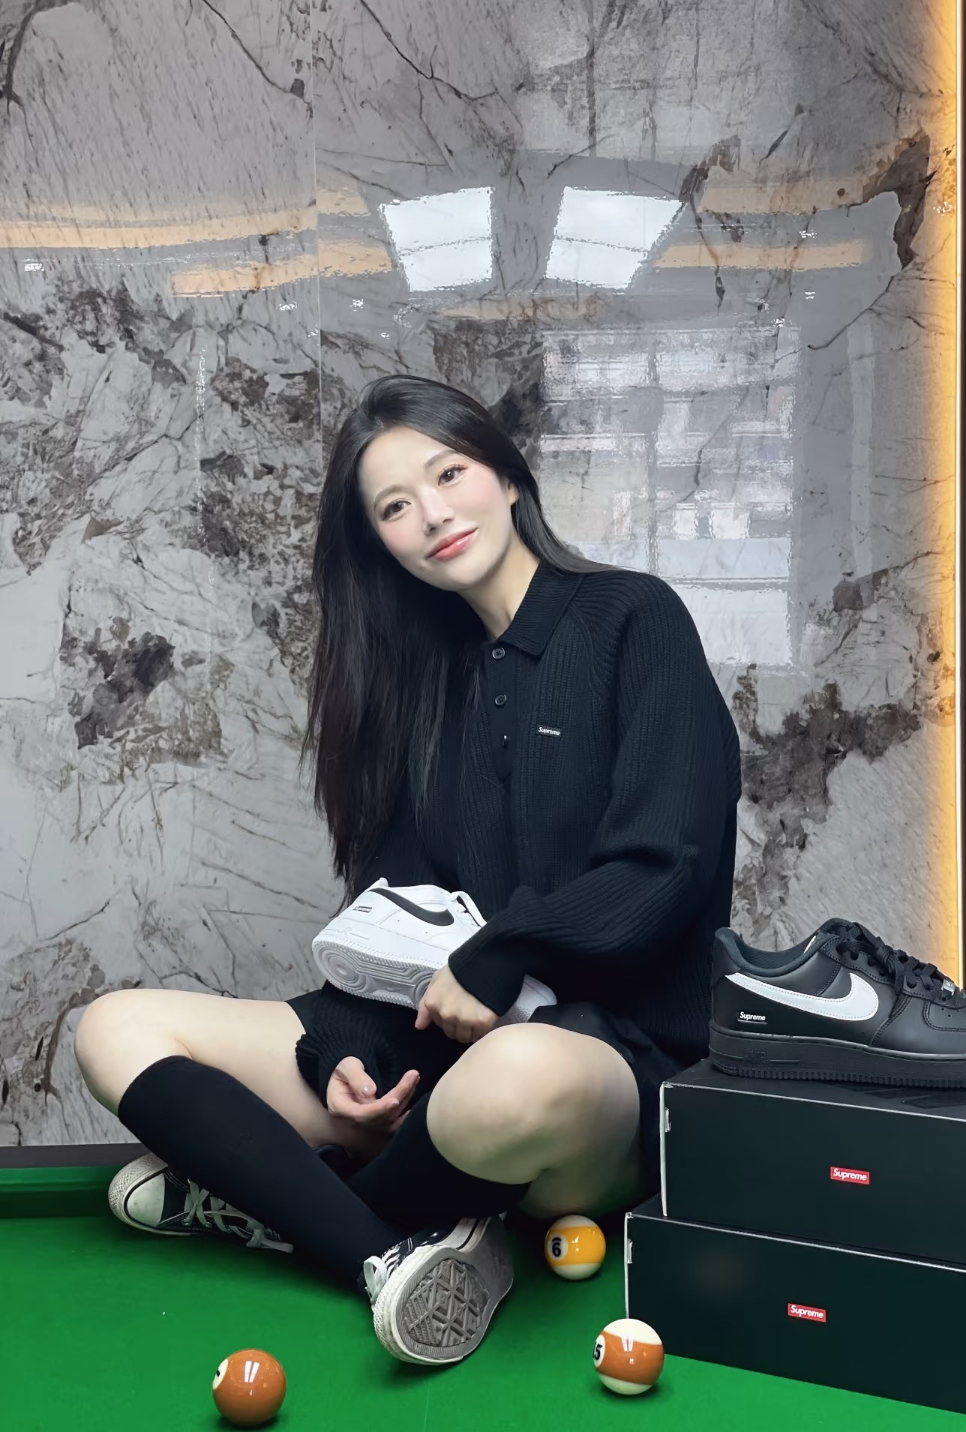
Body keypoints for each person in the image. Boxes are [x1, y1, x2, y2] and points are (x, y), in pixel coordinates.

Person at [74, 373, 742, 1365]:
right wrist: (339, 1063)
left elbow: (666, 868)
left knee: (513, 1075)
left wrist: (505, 947)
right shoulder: (418, 689)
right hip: (435, 1079)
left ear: (507, 477)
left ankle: (278, 1201)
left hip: (604, 1076)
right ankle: (379, 1255)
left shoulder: (632, 618)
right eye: (394, 506)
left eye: (449, 474)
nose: (431, 514)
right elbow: (396, 928)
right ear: (380, 544)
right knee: (114, 1027)